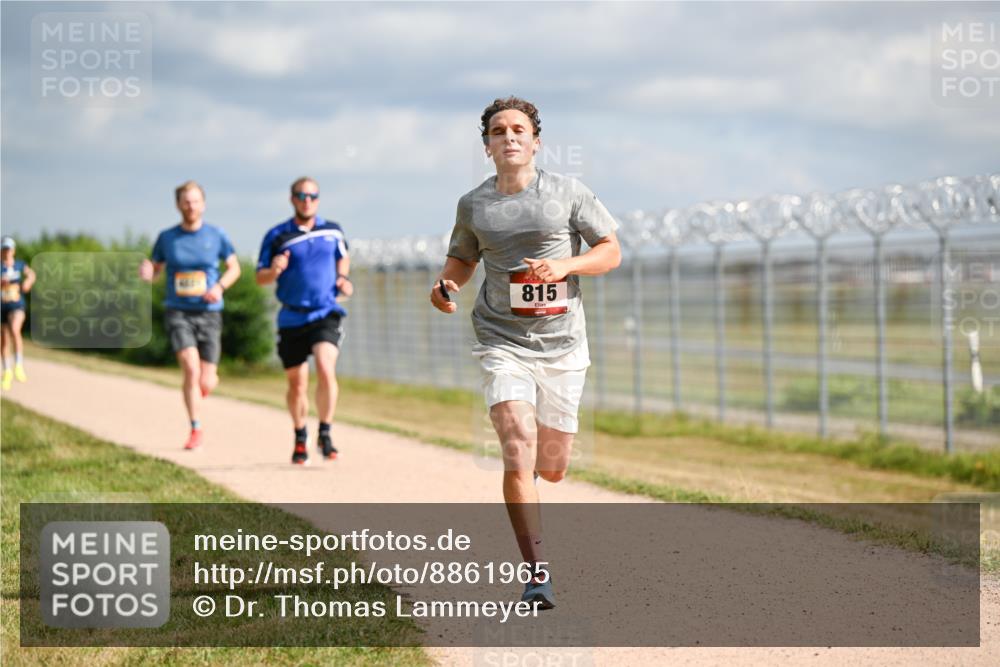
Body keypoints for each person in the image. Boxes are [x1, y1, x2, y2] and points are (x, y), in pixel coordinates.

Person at [430, 97, 621, 609]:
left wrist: (566, 268)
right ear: (487, 145)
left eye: (519, 129)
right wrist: (444, 286)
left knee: (552, 465)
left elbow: (611, 250)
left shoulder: (568, 192)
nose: (509, 137)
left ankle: (538, 473)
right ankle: (537, 575)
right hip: (501, 340)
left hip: (562, 345)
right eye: (498, 130)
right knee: (517, 443)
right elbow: (461, 261)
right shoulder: (474, 204)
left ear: (536, 141)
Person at [256, 177, 353, 465]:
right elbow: (259, 277)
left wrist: (343, 279)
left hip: (325, 312)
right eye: (301, 195)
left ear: (318, 199)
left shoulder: (332, 230)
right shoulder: (277, 236)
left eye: (312, 195)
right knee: (297, 383)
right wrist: (274, 270)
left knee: (325, 367)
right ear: (292, 199)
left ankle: (325, 432)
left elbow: (343, 258)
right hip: (291, 316)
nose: (306, 200)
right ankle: (300, 435)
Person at [140, 181, 241, 450]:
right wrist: (149, 273)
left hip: (209, 313)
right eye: (185, 201)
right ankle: (195, 427)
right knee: (190, 366)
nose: (190, 206)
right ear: (177, 205)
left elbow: (234, 268)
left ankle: (200, 390)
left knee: (207, 379)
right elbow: (156, 268)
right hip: (178, 311)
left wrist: (219, 287)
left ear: (203, 204)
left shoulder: (216, 235)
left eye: (195, 201)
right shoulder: (167, 238)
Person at [1, 236, 36, 391]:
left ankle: (19, 365)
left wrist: (28, 282)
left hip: (17, 306)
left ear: (13, 250)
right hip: (2, 307)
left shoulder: (20, 265)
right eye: (4, 249)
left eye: (9, 249)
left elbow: (31, 274)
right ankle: (7, 371)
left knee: (15, 329)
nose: (7, 252)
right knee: (4, 341)